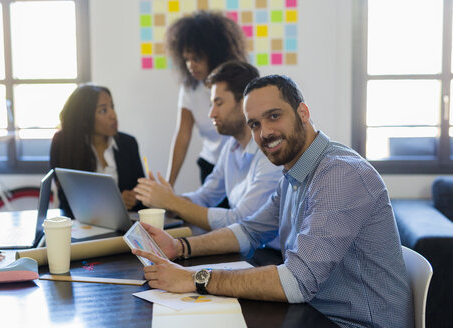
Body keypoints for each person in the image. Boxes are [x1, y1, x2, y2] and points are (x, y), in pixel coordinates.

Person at [132, 75, 414, 328]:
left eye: (274, 116)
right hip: (314, 312)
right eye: (255, 124)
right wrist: (180, 247)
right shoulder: (295, 172)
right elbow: (248, 230)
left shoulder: (340, 174)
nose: (264, 133)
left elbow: (296, 282)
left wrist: (195, 279)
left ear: (303, 112)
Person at [134, 61, 281, 231]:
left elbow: (242, 222)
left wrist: (172, 202)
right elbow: (204, 197)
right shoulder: (231, 148)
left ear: (244, 104)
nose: (211, 113)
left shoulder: (270, 152)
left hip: (270, 254)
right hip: (247, 248)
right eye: (212, 105)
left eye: (218, 103)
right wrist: (166, 199)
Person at [165, 11, 247, 188]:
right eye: (186, 59)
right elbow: (182, 135)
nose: (190, 66)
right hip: (210, 165)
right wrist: (169, 184)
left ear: (216, 54)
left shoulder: (241, 82)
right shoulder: (189, 88)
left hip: (241, 164)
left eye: (197, 58)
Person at [50, 84, 145, 217]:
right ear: (84, 119)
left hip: (124, 226)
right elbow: (67, 200)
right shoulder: (63, 143)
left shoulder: (128, 143)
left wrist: (136, 197)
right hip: (81, 227)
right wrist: (113, 204)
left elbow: (141, 193)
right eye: (103, 111)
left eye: (112, 107)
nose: (113, 115)